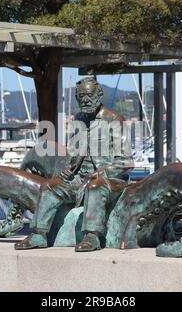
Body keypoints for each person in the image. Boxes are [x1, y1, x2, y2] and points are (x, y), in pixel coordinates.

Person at [15, 77, 134, 252]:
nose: (85, 100)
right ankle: (39, 234)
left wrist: (103, 172)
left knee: (94, 187)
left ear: (99, 95)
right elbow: (74, 151)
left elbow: (126, 162)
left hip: (109, 179)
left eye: (89, 95)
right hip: (79, 178)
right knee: (49, 187)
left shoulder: (115, 120)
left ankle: (92, 236)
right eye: (80, 97)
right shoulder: (79, 118)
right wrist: (68, 169)